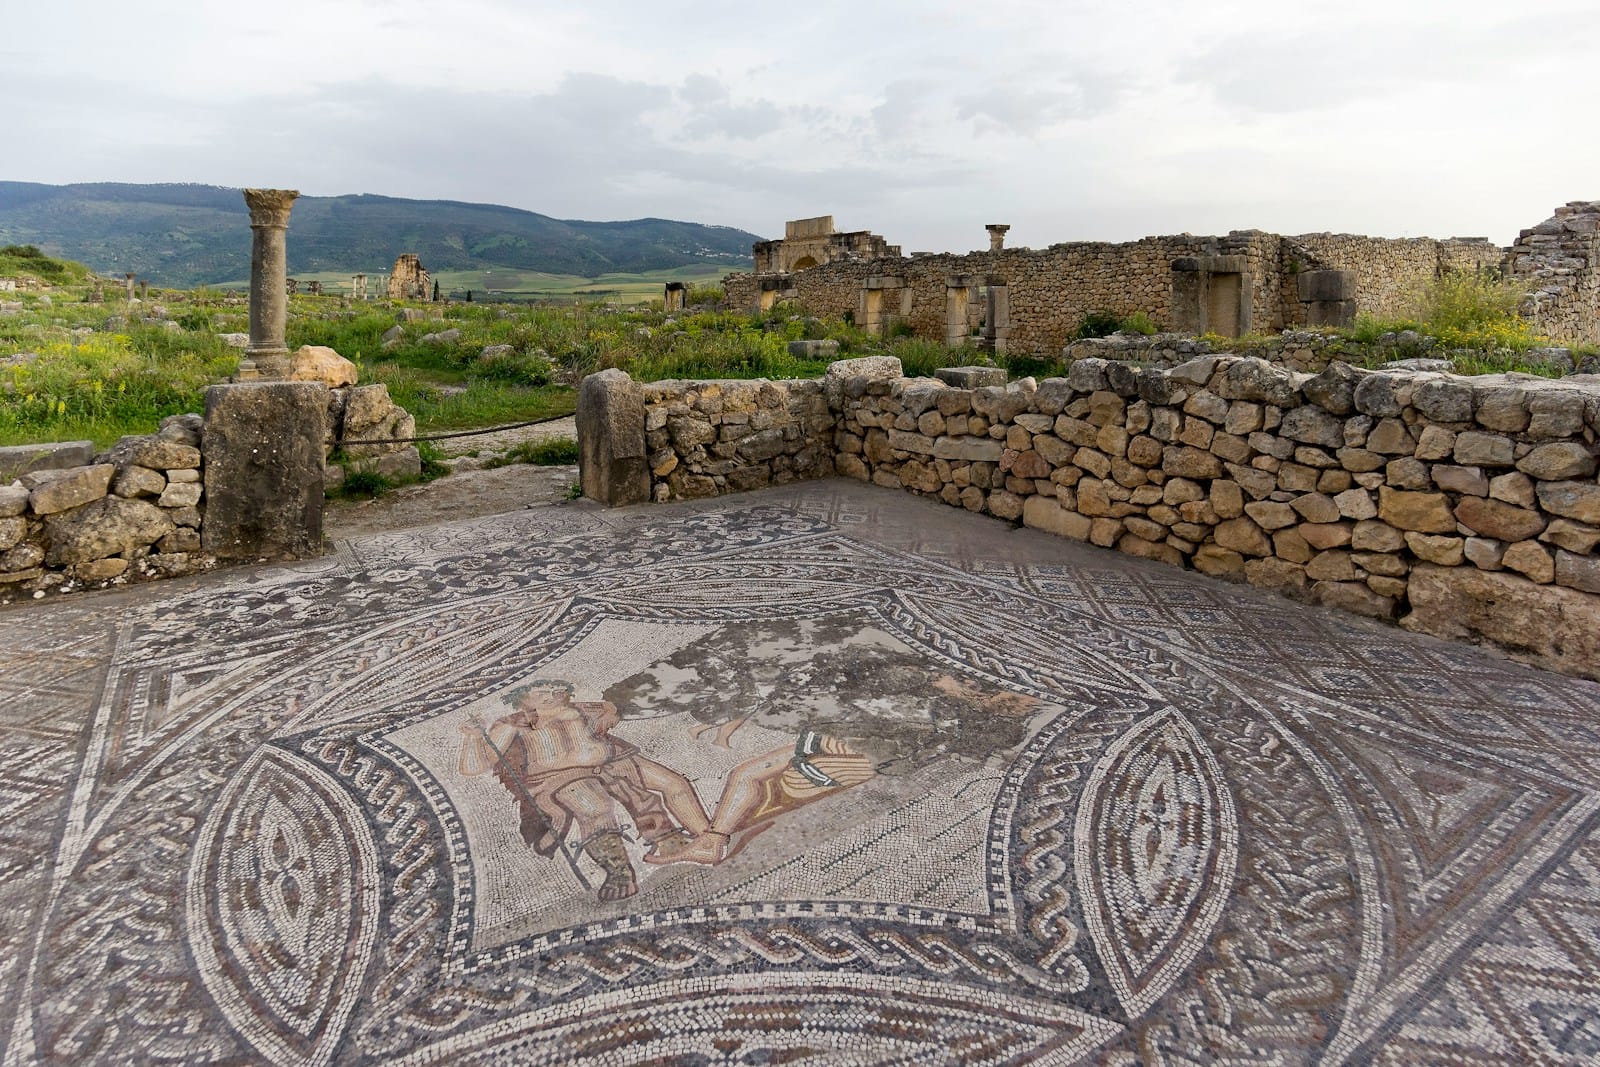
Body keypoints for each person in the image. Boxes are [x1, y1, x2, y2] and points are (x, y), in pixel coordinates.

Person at [457, 680, 710, 901]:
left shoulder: (587, 709)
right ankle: (618, 872)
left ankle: (699, 839)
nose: (551, 695)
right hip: (559, 776)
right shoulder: (512, 724)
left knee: (673, 782)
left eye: (555, 689)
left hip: (614, 762)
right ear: (521, 698)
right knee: (595, 806)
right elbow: (474, 767)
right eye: (540, 692)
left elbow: (626, 704)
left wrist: (613, 707)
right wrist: (473, 737)